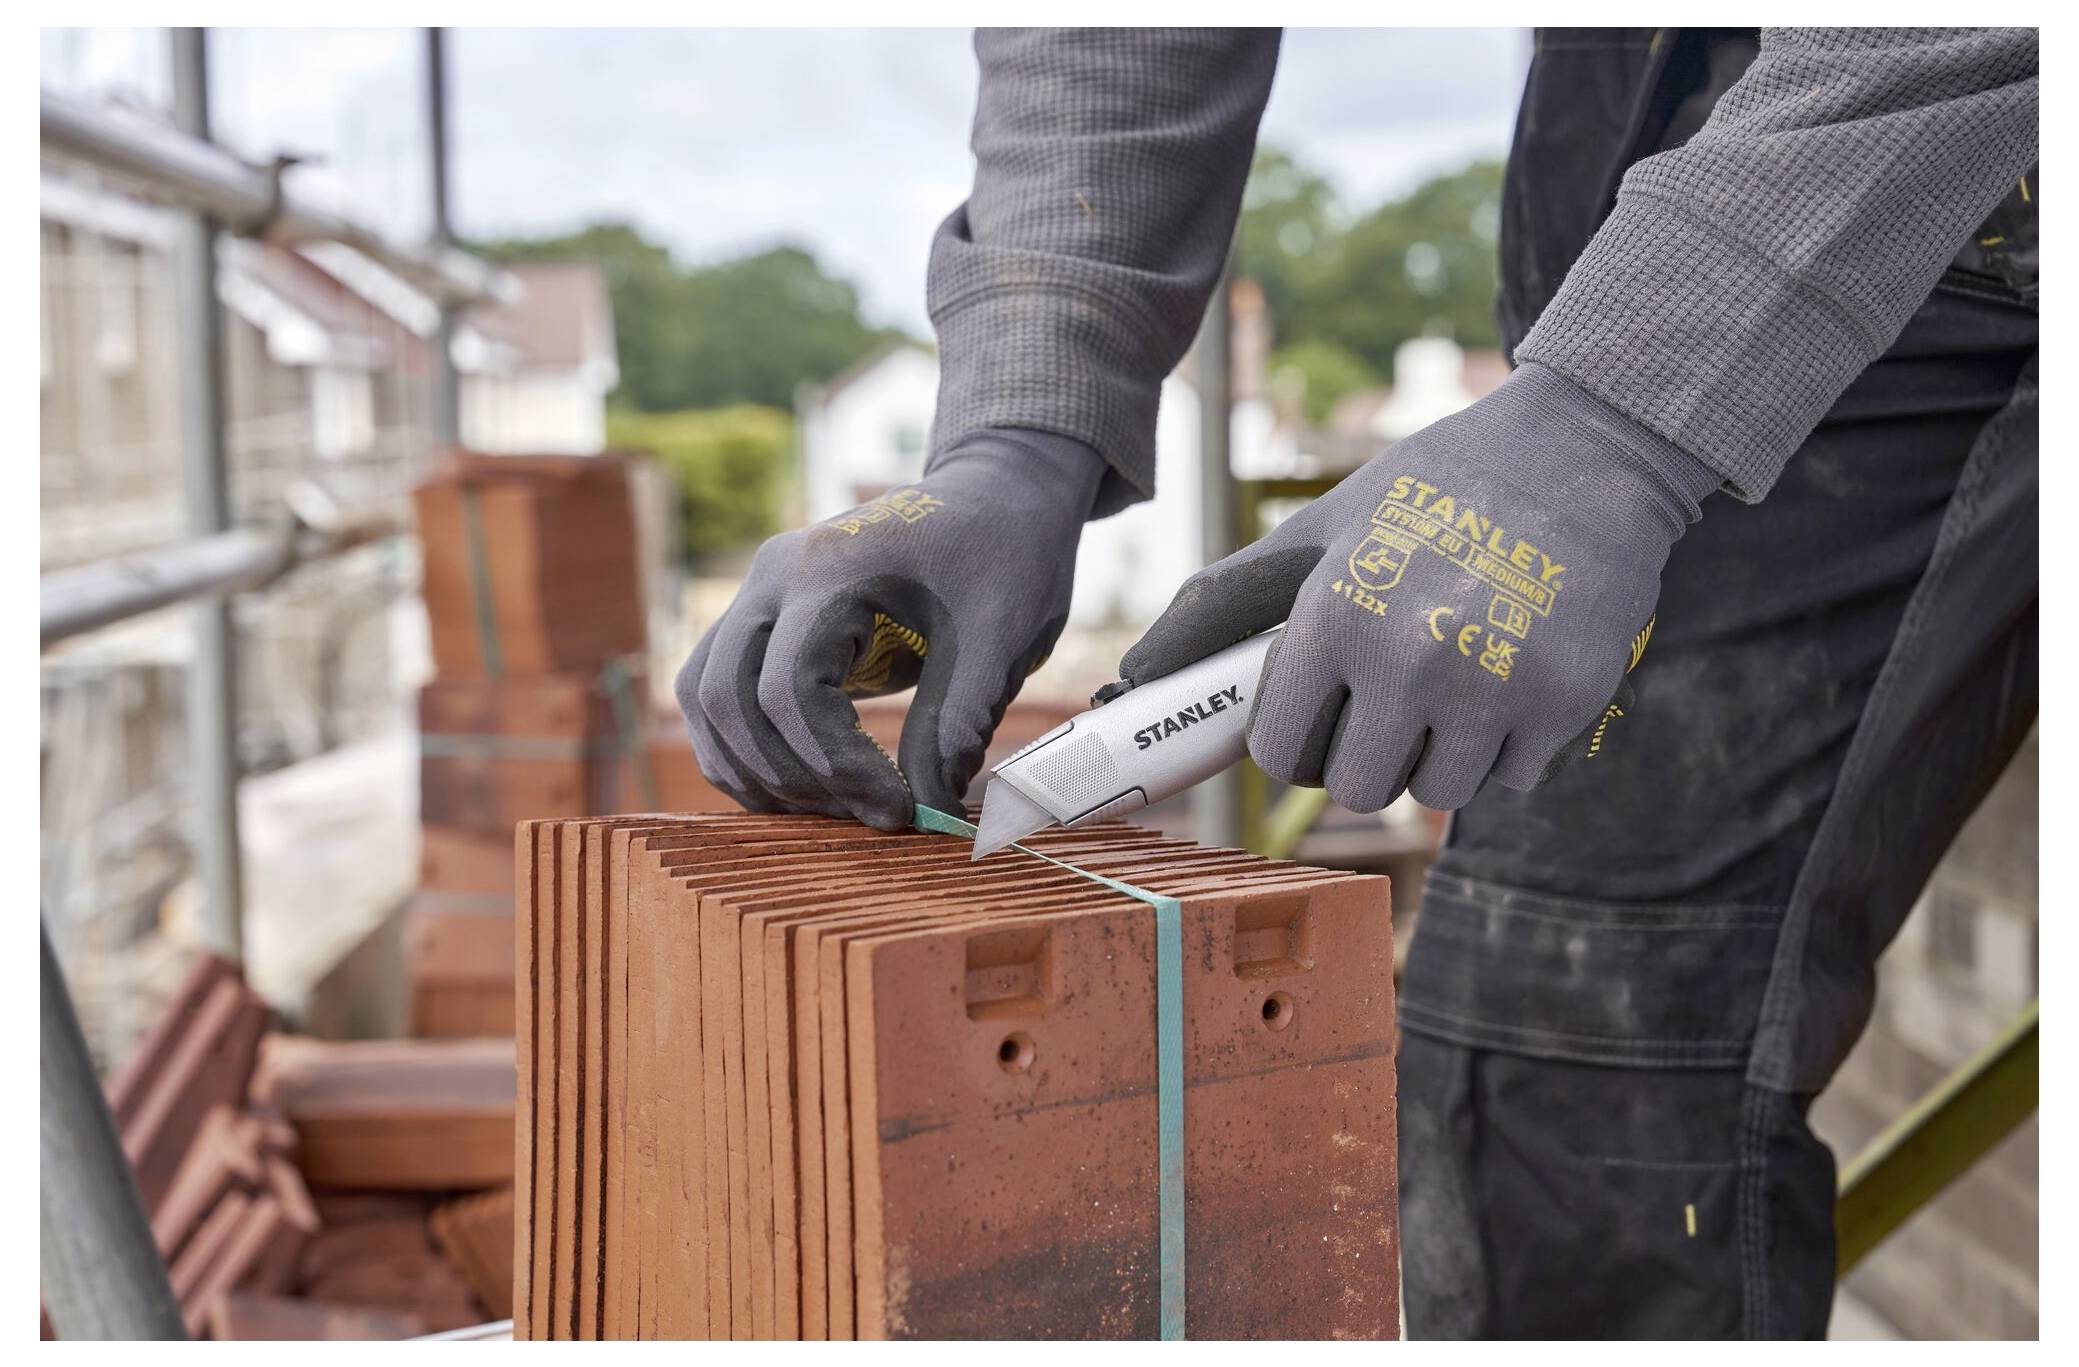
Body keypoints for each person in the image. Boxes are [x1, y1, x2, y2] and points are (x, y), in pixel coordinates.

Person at [678, 27, 2038, 1338]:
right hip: (1700, 150)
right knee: (1552, 1097)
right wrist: (1022, 423)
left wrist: (1619, 418)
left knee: (1585, 1055)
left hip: (1941, 156)